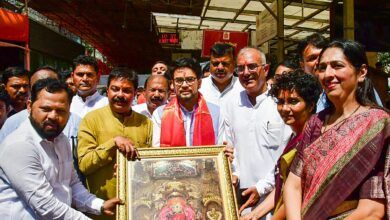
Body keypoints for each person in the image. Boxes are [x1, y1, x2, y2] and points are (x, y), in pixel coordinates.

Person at [284, 40, 390, 219]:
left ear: (362, 72)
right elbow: (293, 183)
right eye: (322, 68)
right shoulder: (316, 122)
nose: (328, 74)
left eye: (337, 66)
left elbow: (373, 209)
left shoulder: (377, 125)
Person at [0, 78, 120, 219]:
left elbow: (72, 184)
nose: (53, 116)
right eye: (46, 109)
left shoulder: (61, 139)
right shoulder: (20, 145)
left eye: (61, 111)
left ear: (69, 112)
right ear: (29, 106)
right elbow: (46, 206)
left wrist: (99, 205)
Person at [241, 70, 322, 220]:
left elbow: (299, 193)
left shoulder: (315, 140)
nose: (284, 108)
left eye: (293, 101)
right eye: (280, 102)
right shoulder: (294, 136)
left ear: (311, 105)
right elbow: (284, 186)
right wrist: (254, 215)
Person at [222, 47, 292, 217]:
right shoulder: (230, 103)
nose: (246, 73)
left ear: (266, 69)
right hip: (241, 196)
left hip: (277, 195)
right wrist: (234, 173)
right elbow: (228, 147)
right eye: (240, 68)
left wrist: (262, 187)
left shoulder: (281, 103)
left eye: (252, 66)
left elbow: (288, 153)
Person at [77, 67, 152, 219]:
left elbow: (151, 165)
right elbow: (84, 165)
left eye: (126, 90)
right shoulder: (91, 120)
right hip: (103, 209)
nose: (120, 95)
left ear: (135, 93)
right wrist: (113, 143)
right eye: (115, 89)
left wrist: (133, 169)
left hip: (138, 208)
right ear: (107, 90)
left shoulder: (146, 123)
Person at [0, 66, 81, 147]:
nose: (52, 116)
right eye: (39, 86)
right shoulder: (13, 123)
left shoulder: (75, 123)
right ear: (29, 106)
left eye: (52, 86)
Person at [152, 57, 222, 147]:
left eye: (190, 79)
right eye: (179, 80)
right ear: (172, 84)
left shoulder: (216, 113)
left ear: (199, 83)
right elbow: (157, 153)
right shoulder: (160, 114)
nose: (184, 85)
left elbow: (220, 152)